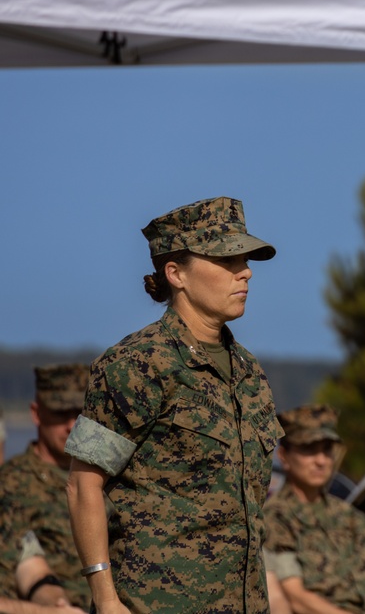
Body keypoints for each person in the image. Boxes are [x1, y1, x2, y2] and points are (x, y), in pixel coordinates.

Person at [63, 196, 284, 614]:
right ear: (176, 273)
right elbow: (82, 485)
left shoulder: (248, 371)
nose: (246, 272)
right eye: (228, 261)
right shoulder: (136, 364)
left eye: (246, 260)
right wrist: (105, 599)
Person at [264, 404, 365, 614]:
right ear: (283, 456)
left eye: (327, 450)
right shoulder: (274, 517)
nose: (321, 461)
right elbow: (295, 595)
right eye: (309, 449)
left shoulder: (351, 517)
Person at [0, 365, 89, 606]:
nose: (72, 425)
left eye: (80, 414)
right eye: (61, 414)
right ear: (36, 414)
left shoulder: (102, 480)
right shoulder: (11, 484)